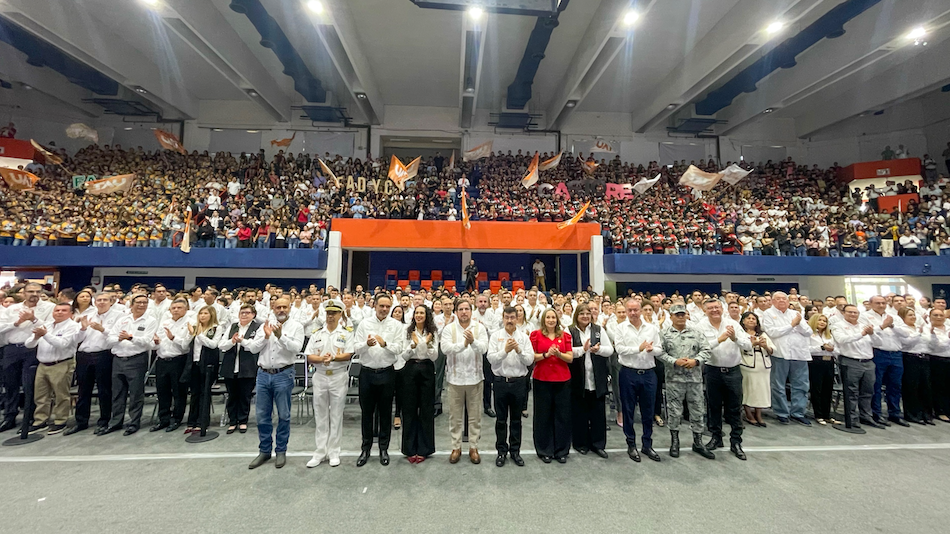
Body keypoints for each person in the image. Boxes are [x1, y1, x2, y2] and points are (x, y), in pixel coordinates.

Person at [248, 298, 304, 469]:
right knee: (262, 415)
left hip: (283, 374)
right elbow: (253, 349)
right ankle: (264, 451)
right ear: (273, 307)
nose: (281, 310)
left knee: (284, 415)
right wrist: (265, 337)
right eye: (278, 307)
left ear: (289, 308)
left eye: (284, 307)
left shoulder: (297, 326)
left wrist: (281, 337)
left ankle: (281, 451)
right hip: (263, 374)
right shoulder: (265, 325)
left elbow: (297, 348)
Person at [353, 294, 404, 467]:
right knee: (367, 413)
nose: (384, 309)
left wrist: (385, 344)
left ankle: (384, 448)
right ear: (374, 306)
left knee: (385, 412)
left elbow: (399, 349)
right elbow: (355, 348)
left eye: (387, 306)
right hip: (367, 373)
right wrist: (366, 344)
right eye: (381, 306)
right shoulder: (364, 324)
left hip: (387, 373)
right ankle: (365, 448)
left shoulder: (396, 325)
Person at [659, 304, 714, 460]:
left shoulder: (696, 333)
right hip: (674, 379)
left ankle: (698, 442)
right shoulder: (664, 334)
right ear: (671, 317)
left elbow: (707, 351)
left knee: (697, 410)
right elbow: (659, 353)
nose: (680, 317)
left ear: (687, 315)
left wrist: (696, 361)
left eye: (683, 314)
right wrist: (674, 361)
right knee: (674, 411)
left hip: (694, 379)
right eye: (677, 315)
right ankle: (674, 441)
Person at [696, 299, 750, 460]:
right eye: (710, 308)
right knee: (713, 406)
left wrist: (734, 338)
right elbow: (700, 348)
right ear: (705, 310)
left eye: (717, 307)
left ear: (722, 308)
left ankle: (736, 442)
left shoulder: (733, 323)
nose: (714, 310)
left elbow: (747, 345)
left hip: (733, 371)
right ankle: (716, 437)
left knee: (734, 407)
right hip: (712, 371)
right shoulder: (700, 326)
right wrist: (718, 340)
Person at [304, 299, 354, 468]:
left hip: (338, 376)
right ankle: (319, 451)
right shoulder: (317, 333)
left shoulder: (346, 333)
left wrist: (332, 358)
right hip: (320, 375)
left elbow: (348, 354)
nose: (331, 316)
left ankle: (334, 451)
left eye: (334, 313)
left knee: (336, 415)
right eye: (328, 313)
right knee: (320, 414)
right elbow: (309, 355)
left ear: (340, 314)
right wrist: (321, 360)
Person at [612, 298, 663, 462]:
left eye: (636, 310)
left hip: (648, 373)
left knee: (648, 411)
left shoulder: (652, 328)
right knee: (628, 410)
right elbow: (619, 349)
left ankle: (647, 444)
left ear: (641, 310)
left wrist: (651, 349)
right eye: (630, 310)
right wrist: (639, 348)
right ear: (626, 311)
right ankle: (631, 444)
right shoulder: (620, 328)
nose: (633, 313)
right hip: (628, 373)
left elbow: (660, 350)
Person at [0, 282, 54, 432]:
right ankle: (9, 416)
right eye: (31, 291)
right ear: (23, 293)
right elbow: (1, 327)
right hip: (12, 349)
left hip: (34, 349)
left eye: (37, 291)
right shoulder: (12, 309)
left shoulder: (48, 307)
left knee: (30, 385)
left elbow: (49, 327)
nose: (34, 294)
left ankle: (29, 418)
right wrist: (17, 323)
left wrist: (33, 319)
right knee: (10, 384)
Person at [102, 294, 158, 436]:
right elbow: (109, 340)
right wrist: (121, 339)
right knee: (117, 393)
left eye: (145, 303)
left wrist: (130, 337)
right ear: (131, 304)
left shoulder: (150, 321)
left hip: (136, 359)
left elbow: (146, 341)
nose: (142, 305)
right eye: (138, 302)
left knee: (135, 394)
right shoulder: (122, 320)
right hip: (118, 359)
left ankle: (134, 423)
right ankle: (116, 422)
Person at [441, 300, 489, 464]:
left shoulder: (479, 328)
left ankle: (474, 447)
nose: (464, 312)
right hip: (455, 379)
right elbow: (445, 349)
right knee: (455, 416)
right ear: (456, 311)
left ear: (471, 311)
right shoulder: (449, 328)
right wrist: (464, 344)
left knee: (475, 416)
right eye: (460, 309)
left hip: (475, 378)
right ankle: (456, 446)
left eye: (467, 309)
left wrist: (473, 342)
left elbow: (483, 349)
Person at [68, 292, 121, 435]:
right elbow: (77, 338)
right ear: (95, 302)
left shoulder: (118, 315)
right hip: (84, 355)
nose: (102, 302)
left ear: (111, 302)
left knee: (104, 390)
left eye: (105, 300)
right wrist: (83, 328)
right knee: (83, 390)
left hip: (104, 354)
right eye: (99, 300)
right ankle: (81, 421)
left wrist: (102, 329)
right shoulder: (89, 314)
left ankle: (104, 421)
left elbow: (118, 336)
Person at [486, 306, 532, 467]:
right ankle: (501, 452)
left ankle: (515, 451)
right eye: (507, 317)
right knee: (500, 420)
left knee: (516, 420)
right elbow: (491, 359)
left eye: (513, 317)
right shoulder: (495, 336)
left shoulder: (524, 338)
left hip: (519, 383)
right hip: (500, 382)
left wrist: (518, 350)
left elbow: (530, 360)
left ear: (517, 318)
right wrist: (505, 351)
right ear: (503, 318)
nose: (510, 320)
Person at [26, 303, 80, 435]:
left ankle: (60, 421)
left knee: (61, 395)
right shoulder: (47, 325)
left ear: (71, 313)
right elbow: (28, 344)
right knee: (41, 395)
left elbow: (62, 344)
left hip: (61, 363)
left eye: (63, 310)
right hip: (43, 364)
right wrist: (36, 337)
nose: (59, 312)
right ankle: (40, 420)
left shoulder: (73, 326)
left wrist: (45, 335)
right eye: (57, 310)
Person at [568, 303, 613, 459]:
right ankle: (580, 443)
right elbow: (567, 352)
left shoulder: (599, 330)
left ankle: (598, 444)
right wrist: (583, 349)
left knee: (598, 413)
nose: (585, 316)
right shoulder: (570, 330)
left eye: (588, 313)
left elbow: (610, 350)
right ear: (576, 315)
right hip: (578, 378)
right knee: (579, 413)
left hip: (597, 378)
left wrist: (598, 350)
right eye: (582, 314)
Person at [761, 292, 813, 425]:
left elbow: (808, 332)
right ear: (772, 301)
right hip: (780, 354)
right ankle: (781, 412)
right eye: (777, 299)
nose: (781, 301)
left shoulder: (795, 314)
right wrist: (791, 326)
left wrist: (797, 323)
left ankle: (798, 412)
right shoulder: (768, 313)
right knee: (778, 385)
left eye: (784, 298)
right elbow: (772, 332)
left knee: (801, 385)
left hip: (799, 354)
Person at [530, 308, 573, 463]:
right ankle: (544, 450)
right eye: (548, 317)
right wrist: (546, 355)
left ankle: (561, 450)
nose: (550, 320)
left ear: (557, 320)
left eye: (553, 317)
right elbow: (531, 356)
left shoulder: (565, 336)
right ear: (544, 320)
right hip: (542, 379)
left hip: (562, 380)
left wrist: (558, 354)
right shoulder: (535, 335)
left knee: (562, 416)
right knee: (543, 416)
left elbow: (570, 358)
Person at [397, 304, 438, 463]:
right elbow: (404, 355)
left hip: (427, 369)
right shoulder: (407, 331)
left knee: (426, 409)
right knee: (410, 408)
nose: (419, 315)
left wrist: (427, 343)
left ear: (427, 315)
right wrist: (413, 344)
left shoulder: (432, 332)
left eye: (422, 313)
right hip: (411, 368)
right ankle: (409, 448)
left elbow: (434, 356)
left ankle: (424, 449)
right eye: (417, 313)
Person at [860, 295, 908, 427]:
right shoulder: (864, 316)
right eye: (877, 303)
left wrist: (891, 326)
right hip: (878, 353)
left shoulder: (894, 317)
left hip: (896, 354)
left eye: (883, 303)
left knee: (895, 385)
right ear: (870, 303)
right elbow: (866, 332)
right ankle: (876, 413)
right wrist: (882, 326)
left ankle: (895, 413)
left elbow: (906, 333)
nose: (881, 305)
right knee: (876, 385)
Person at [218, 304, 265, 435]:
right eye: (242, 312)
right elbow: (221, 345)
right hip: (231, 365)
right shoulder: (232, 326)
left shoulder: (258, 327)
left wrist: (242, 341)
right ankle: (233, 421)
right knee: (232, 396)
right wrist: (232, 342)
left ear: (253, 315)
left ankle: (243, 420)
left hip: (248, 366)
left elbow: (255, 346)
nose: (244, 315)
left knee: (245, 396)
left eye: (247, 312)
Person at [831, 305, 879, 428]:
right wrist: (862, 334)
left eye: (856, 312)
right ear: (843, 313)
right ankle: (852, 419)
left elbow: (878, 343)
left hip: (868, 361)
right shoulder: (838, 325)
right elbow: (842, 340)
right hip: (850, 361)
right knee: (851, 392)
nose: (853, 315)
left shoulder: (864, 325)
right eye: (850, 312)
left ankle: (866, 416)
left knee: (868, 391)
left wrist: (872, 334)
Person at [149, 299, 192, 433]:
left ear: (185, 309)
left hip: (178, 360)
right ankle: (163, 419)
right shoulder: (164, 322)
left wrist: (173, 338)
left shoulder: (189, 323)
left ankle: (176, 419)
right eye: (173, 308)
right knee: (162, 391)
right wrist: (155, 343)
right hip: (162, 360)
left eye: (179, 307)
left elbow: (186, 345)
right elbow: (156, 342)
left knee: (179, 392)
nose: (176, 310)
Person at [183, 306, 223, 436]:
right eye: (201, 313)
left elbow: (213, 345)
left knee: (204, 393)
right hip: (194, 364)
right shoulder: (194, 328)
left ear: (211, 315)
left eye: (206, 313)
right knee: (194, 393)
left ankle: (202, 422)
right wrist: (190, 334)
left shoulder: (216, 328)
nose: (202, 316)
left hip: (208, 365)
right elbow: (184, 346)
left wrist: (200, 335)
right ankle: (191, 421)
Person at [895, 308, 931, 425]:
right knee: (911, 387)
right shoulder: (902, 329)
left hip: (924, 357)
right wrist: (918, 334)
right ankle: (912, 414)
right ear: (902, 317)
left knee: (924, 386)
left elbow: (928, 341)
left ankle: (925, 413)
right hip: (910, 358)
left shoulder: (920, 327)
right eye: (910, 315)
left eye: (914, 315)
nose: (913, 317)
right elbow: (907, 342)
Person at [739, 312, 773, 427]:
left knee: (760, 391)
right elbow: (739, 349)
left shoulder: (762, 334)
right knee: (748, 390)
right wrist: (753, 344)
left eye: (754, 318)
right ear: (743, 321)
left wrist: (764, 346)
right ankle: (748, 413)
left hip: (763, 366)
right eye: (748, 318)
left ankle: (758, 414)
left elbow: (773, 350)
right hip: (747, 366)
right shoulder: (741, 334)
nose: (751, 320)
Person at [808, 314, 838, 425]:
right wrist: (821, 347)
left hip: (829, 361)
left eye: (824, 321)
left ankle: (827, 415)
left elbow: (837, 349)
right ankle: (818, 414)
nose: (822, 322)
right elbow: (806, 349)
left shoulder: (829, 335)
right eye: (820, 320)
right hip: (816, 361)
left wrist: (832, 349)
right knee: (817, 389)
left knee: (828, 389)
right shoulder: (809, 334)